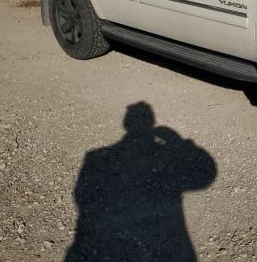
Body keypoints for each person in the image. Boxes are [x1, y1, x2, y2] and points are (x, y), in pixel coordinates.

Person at [66, 101, 217, 261]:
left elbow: (81, 195)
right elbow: (206, 175)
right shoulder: (96, 156)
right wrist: (182, 144)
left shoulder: (95, 156)